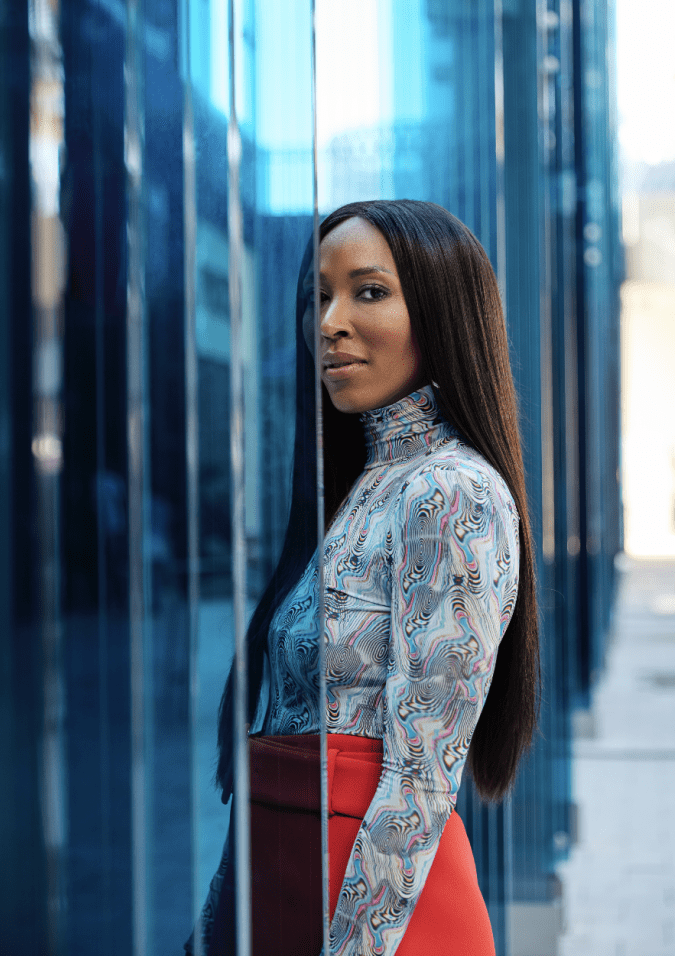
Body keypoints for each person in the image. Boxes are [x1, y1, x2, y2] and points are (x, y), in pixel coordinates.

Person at [186, 199, 539, 956]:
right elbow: (275, 734)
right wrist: (216, 927)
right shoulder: (363, 488)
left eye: (368, 291)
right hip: (285, 894)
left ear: (442, 312)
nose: (329, 322)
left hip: (377, 919)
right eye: (319, 296)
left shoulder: (452, 494)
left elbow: (419, 780)